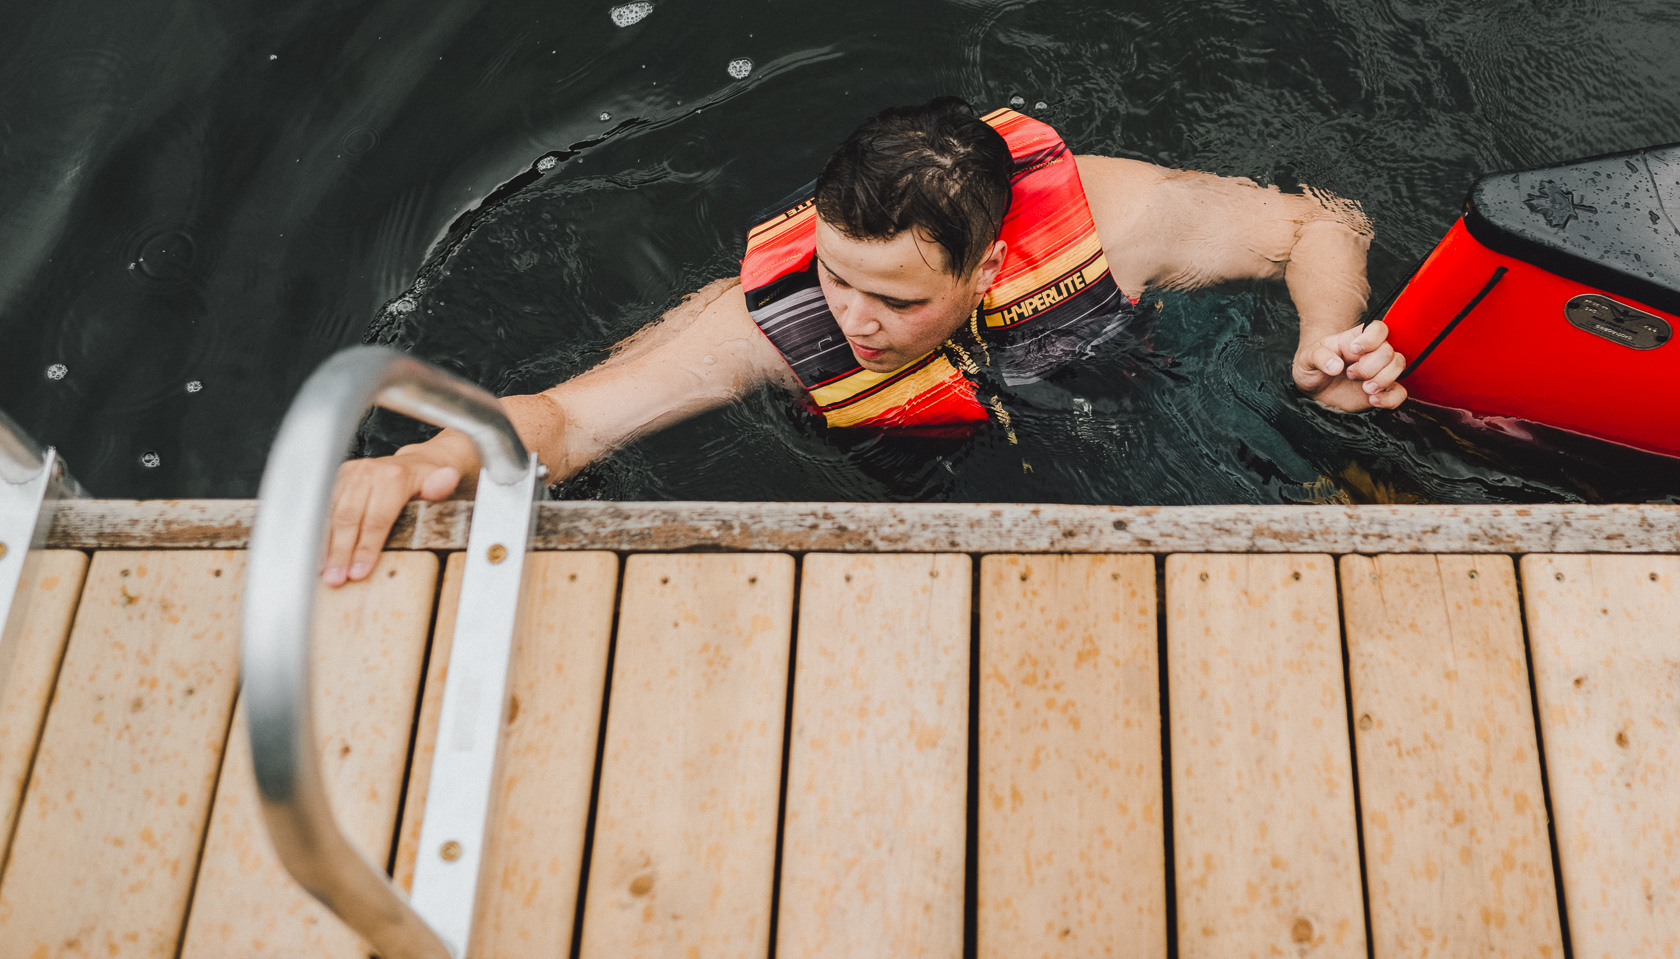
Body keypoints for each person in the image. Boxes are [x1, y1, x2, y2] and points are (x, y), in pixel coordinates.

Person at [322, 98, 1407, 584]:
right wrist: (433, 455)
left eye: (893, 299)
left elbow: (1319, 221)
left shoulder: (1115, 220)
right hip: (971, 485)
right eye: (836, 275)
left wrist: (1326, 332)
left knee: (1350, 495)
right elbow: (563, 420)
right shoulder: (770, 320)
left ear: (983, 268)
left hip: (1135, 385)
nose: (849, 316)